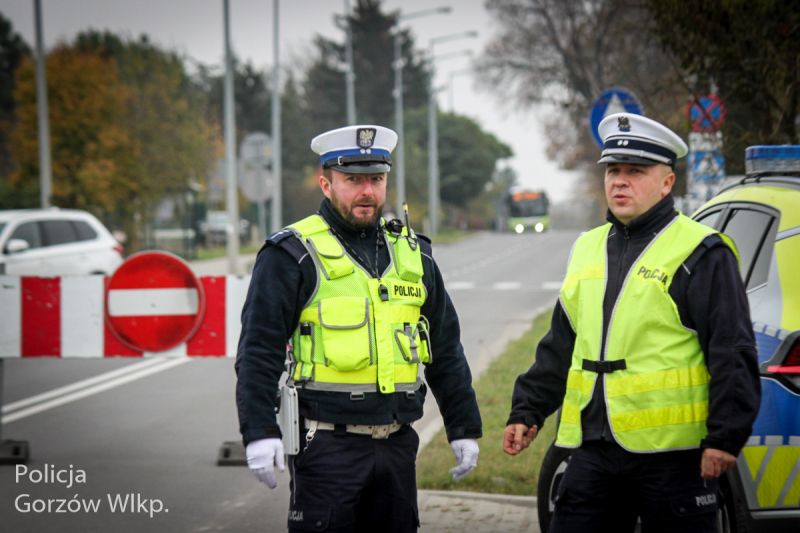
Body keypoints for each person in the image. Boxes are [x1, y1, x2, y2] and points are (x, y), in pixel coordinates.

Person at [503, 113, 761, 532]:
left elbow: (732, 349)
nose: (619, 181)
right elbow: (561, 343)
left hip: (673, 460)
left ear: (666, 182)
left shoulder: (700, 252)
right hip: (593, 451)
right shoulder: (587, 248)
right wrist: (528, 410)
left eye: (635, 172)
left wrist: (725, 436)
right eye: (614, 170)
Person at [236, 125, 482, 532]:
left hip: (398, 446)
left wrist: (463, 426)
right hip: (326, 447)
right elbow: (258, 350)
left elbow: (445, 347)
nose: (367, 191)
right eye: (353, 180)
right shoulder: (292, 254)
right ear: (326, 184)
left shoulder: (414, 254)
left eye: (376, 179)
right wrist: (259, 430)